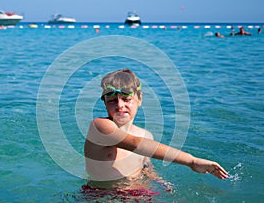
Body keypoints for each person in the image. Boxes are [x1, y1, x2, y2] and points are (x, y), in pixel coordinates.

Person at [84, 69, 229, 183]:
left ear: (139, 99)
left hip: (138, 192)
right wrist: (192, 161)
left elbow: (146, 166)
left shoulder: (146, 135)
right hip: (103, 197)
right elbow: (136, 144)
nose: (120, 105)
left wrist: (158, 181)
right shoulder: (100, 127)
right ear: (104, 103)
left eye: (126, 99)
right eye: (112, 101)